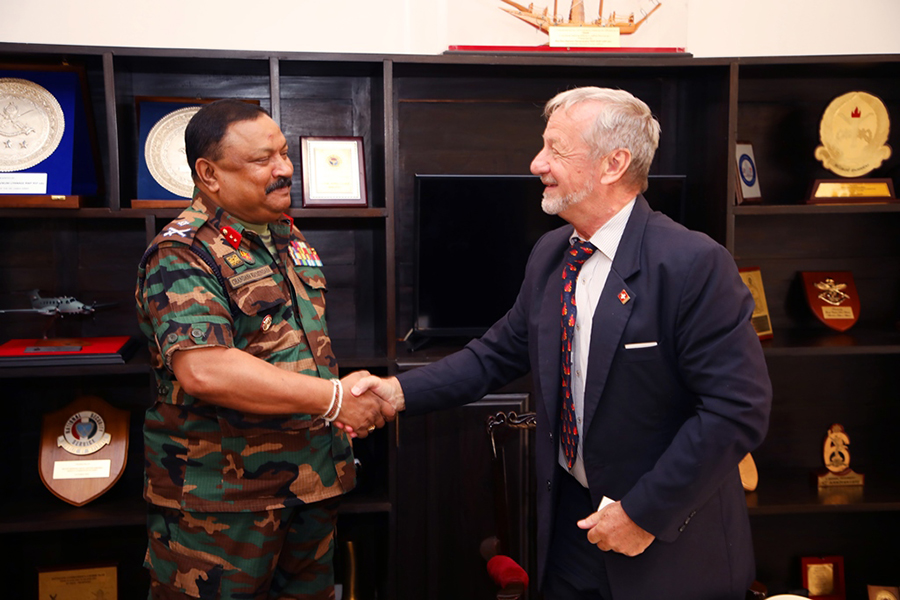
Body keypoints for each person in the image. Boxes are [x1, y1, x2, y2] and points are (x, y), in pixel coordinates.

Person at [349, 87, 772, 600]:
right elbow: (497, 353)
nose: (536, 163)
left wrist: (642, 514)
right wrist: (394, 394)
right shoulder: (552, 254)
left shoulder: (692, 264)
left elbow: (737, 410)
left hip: (668, 539)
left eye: (555, 150)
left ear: (613, 163)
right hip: (570, 529)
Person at [135, 99, 394, 599]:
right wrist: (337, 400)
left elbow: (297, 350)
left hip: (312, 485)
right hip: (225, 504)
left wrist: (342, 397)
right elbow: (206, 370)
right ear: (208, 174)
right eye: (262, 160)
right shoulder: (182, 251)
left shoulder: (285, 236)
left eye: (284, 152)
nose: (284, 169)